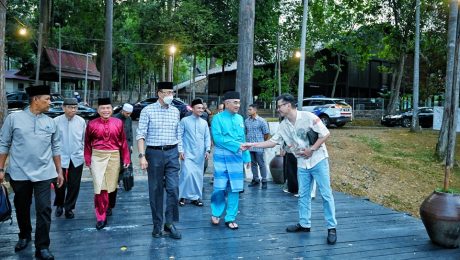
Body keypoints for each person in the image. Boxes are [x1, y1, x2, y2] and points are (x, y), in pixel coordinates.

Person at [242, 93, 337, 245]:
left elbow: (325, 134)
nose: (278, 109)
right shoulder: (284, 125)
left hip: (318, 160)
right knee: (303, 194)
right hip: (302, 163)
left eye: (279, 106)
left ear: (288, 105)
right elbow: (273, 142)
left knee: (326, 194)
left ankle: (331, 227)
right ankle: (304, 224)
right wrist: (251, 145)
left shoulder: (308, 116)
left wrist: (311, 149)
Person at [0, 85, 64, 260]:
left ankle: (42, 246)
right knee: (21, 207)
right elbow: (3, 143)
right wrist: (0, 168)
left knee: (44, 208)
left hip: (44, 173)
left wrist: (59, 171)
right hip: (19, 173)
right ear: (35, 99)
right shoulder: (14, 119)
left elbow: (56, 147)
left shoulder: (50, 122)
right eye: (47, 99)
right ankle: (24, 235)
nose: (50, 102)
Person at [136, 81, 182, 239]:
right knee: (155, 190)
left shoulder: (175, 111)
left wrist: (180, 151)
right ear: (159, 93)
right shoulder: (147, 111)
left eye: (172, 92)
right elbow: (141, 135)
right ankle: (157, 225)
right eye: (167, 92)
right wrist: (142, 156)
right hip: (154, 153)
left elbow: (178, 134)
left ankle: (169, 223)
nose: (171, 95)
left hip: (172, 152)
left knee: (174, 189)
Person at [84, 98, 130, 230]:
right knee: (99, 186)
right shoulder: (91, 124)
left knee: (111, 185)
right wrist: (87, 158)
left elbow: (123, 141)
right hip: (97, 156)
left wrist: (126, 158)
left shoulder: (118, 123)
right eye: (102, 108)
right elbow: (87, 143)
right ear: (98, 110)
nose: (105, 110)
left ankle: (109, 205)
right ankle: (101, 216)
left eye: (108, 108)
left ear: (112, 109)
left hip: (114, 156)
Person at [210, 91, 251, 230]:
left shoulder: (240, 118)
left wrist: (247, 157)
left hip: (237, 157)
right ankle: (216, 212)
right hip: (221, 157)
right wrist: (237, 145)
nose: (238, 105)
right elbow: (218, 139)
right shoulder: (217, 119)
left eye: (239, 102)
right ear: (226, 103)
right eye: (235, 102)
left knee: (235, 188)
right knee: (219, 188)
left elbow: (243, 139)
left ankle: (230, 217)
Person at [53, 98, 86, 220]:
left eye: (75, 107)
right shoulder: (55, 121)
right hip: (60, 157)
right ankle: (59, 204)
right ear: (63, 108)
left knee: (74, 184)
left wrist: (82, 153)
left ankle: (69, 208)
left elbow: (84, 139)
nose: (73, 110)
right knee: (60, 183)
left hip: (77, 156)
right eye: (70, 107)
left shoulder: (81, 121)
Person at [178, 99, 211, 207]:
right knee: (186, 174)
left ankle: (196, 197)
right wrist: (181, 150)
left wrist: (207, 150)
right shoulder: (184, 121)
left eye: (202, 108)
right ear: (192, 108)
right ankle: (182, 196)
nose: (201, 110)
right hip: (187, 152)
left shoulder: (204, 122)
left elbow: (207, 137)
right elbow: (179, 136)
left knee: (198, 176)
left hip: (200, 154)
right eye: (199, 108)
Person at [109, 103, 134, 214]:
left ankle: (127, 183)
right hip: (116, 147)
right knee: (117, 165)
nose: (128, 115)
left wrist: (131, 144)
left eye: (130, 114)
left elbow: (130, 132)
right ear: (122, 111)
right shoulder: (114, 119)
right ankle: (116, 182)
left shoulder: (129, 119)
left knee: (127, 165)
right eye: (127, 113)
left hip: (127, 146)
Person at [244, 104, 270, 189]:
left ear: (255, 110)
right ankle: (255, 179)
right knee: (253, 164)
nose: (249, 111)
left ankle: (264, 180)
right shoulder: (246, 121)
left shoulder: (262, 121)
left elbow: (266, 133)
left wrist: (262, 143)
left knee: (261, 163)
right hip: (250, 146)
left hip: (259, 146)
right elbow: (246, 132)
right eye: (248, 109)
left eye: (250, 109)